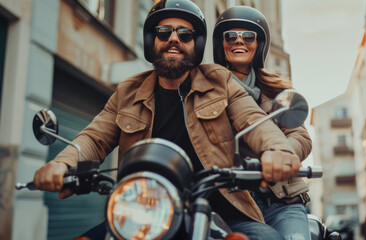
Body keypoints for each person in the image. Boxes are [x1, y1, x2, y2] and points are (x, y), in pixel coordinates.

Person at [33, 1, 303, 239]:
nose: (174, 39)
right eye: (164, 32)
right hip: (142, 210)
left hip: (221, 209)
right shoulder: (128, 90)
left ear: (196, 44)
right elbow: (94, 136)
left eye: (185, 34)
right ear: (152, 40)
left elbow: (253, 119)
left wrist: (276, 150)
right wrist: (62, 163)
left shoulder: (220, 81)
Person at [212, 6, 313, 240]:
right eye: (231, 36)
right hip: (231, 202)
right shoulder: (207, 89)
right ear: (221, 43)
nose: (239, 41)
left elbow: (301, 137)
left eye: (248, 36)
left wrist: (278, 157)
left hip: (281, 199)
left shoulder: (276, 89)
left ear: (259, 44)